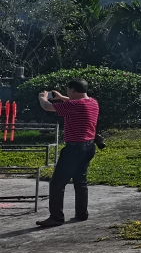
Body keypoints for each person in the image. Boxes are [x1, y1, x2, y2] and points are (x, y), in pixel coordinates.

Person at [35, 78, 100, 227]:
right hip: (89, 146)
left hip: (74, 148)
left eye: (68, 91)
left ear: (73, 91)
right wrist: (61, 97)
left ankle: (56, 217)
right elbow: (73, 102)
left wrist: (42, 98)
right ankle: (82, 213)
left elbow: (47, 107)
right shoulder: (92, 103)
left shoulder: (73, 105)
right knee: (80, 180)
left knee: (57, 183)